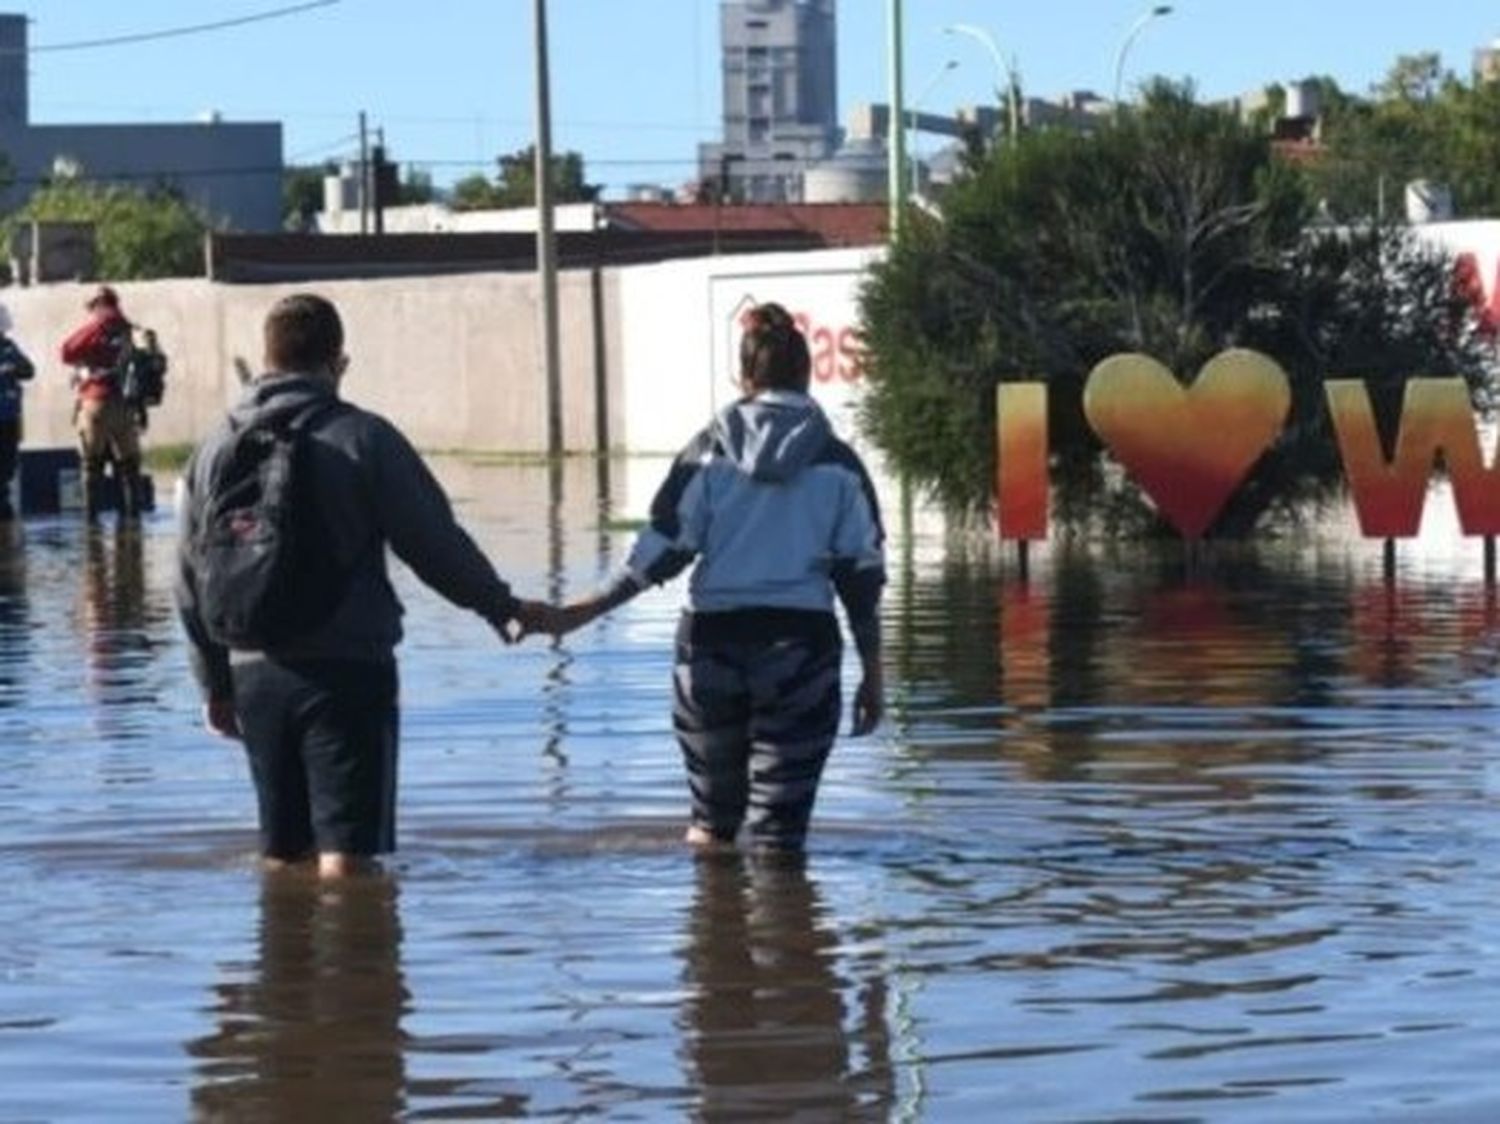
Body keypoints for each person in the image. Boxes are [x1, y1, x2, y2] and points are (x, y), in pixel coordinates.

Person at [176, 292, 553, 879]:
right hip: (347, 669)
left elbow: (187, 575)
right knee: (349, 864)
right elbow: (432, 542)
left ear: (266, 357)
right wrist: (497, 605)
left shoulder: (214, 447)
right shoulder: (362, 437)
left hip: (254, 669)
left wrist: (213, 681)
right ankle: (357, 966)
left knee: (281, 859)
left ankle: (284, 965)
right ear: (338, 362)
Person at [541, 303, 886, 853]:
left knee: (709, 827)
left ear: (745, 379)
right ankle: (789, 935)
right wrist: (874, 672)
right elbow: (861, 578)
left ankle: (712, 931)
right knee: (779, 838)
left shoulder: (705, 455)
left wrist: (577, 612)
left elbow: (658, 553)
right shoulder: (840, 464)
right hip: (800, 651)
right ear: (807, 375)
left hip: (708, 648)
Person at [60, 285, 141, 520]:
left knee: (92, 465)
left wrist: (88, 359)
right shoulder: (129, 330)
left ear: (97, 304)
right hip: (126, 406)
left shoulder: (96, 326)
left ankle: (91, 523)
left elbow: (65, 351)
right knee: (129, 467)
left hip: (97, 403)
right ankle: (131, 520)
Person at [0, 305, 35, 521]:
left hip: (9, 417)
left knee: (7, 465)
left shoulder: (9, 347)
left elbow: (29, 370)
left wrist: (14, 368)